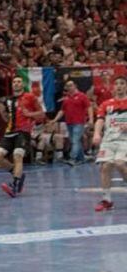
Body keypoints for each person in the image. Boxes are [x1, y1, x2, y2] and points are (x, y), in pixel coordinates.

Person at [0, 76, 45, 198]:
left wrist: (30, 114)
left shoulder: (30, 97)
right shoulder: (8, 100)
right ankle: (18, 174)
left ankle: (15, 185)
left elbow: (41, 114)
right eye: (14, 82)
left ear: (23, 84)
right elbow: (7, 119)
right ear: (12, 85)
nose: (16, 84)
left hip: (24, 131)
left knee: (18, 156)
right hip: (9, 131)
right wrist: (2, 112)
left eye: (19, 82)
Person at [93, 76, 127, 212]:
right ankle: (107, 200)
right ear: (113, 87)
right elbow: (100, 120)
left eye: (122, 83)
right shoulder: (106, 104)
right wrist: (96, 134)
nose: (119, 86)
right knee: (105, 166)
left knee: (119, 163)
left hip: (125, 140)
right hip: (108, 140)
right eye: (116, 84)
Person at [52, 79, 91, 165]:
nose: (68, 87)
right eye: (67, 86)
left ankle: (72, 158)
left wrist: (91, 119)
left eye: (70, 85)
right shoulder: (66, 99)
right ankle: (81, 158)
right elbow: (62, 111)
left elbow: (89, 107)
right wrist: (55, 120)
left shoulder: (82, 96)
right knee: (75, 140)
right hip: (69, 123)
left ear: (75, 86)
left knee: (75, 140)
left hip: (79, 122)